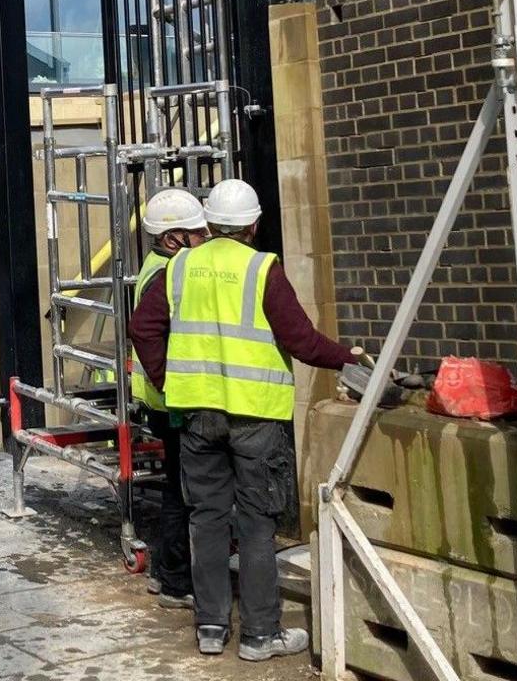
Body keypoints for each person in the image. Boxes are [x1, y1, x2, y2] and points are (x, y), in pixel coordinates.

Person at [129, 178, 355, 662]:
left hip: (198, 414)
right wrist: (348, 357)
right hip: (255, 417)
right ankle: (259, 635)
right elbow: (301, 341)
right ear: (254, 224)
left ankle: (211, 628)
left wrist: (169, 380)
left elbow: (143, 327)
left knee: (206, 519)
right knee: (255, 525)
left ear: (209, 223)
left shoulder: (181, 267)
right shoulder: (262, 269)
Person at [130, 188, 209, 610]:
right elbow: (149, 333)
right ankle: (174, 578)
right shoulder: (167, 274)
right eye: (197, 232)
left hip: (162, 396)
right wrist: (168, 384)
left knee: (177, 487)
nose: (205, 238)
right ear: (172, 238)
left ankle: (169, 573)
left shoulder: (157, 267)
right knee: (182, 491)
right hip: (169, 399)